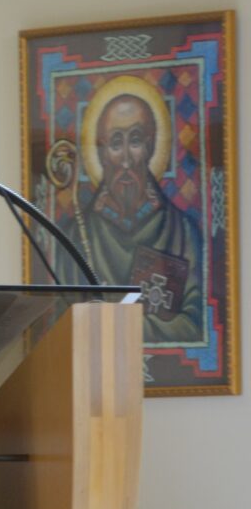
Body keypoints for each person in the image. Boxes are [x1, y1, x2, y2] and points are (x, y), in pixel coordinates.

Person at [62, 80, 203, 345]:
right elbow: (59, 330)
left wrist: (114, 327)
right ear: (101, 154)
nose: (126, 160)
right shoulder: (74, 238)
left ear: (150, 148)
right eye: (116, 144)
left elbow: (193, 325)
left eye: (135, 141)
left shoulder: (182, 231)